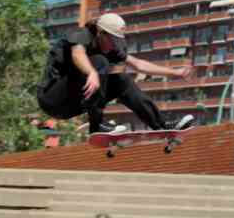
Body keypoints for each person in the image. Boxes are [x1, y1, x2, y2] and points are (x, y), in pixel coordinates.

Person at [37, 13, 195, 134]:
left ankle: (161, 125)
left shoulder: (110, 47)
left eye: (118, 40)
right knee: (100, 62)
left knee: (122, 80)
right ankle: (96, 125)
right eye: (112, 39)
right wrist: (91, 72)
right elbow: (78, 54)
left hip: (74, 104)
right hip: (52, 99)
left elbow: (138, 64)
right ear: (100, 32)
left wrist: (175, 73)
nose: (114, 45)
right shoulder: (82, 34)